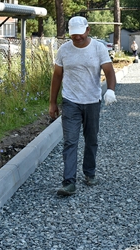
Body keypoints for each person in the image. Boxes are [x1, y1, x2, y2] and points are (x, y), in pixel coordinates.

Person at [49, 16, 117, 196]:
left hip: (92, 101)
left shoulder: (98, 48)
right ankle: (69, 182)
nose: (77, 38)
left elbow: (109, 71)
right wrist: (52, 102)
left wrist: (110, 90)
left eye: (80, 34)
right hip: (70, 101)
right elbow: (57, 76)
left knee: (91, 139)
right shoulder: (64, 50)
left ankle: (89, 172)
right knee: (70, 141)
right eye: (73, 35)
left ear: (87, 30)